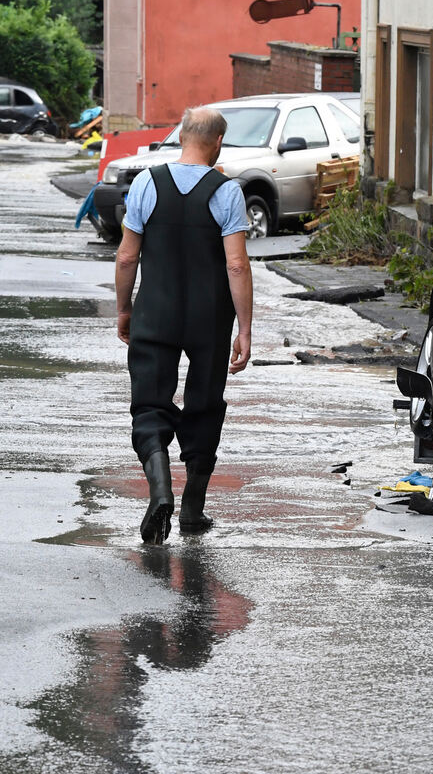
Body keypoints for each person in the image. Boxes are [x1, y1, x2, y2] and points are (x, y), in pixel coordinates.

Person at [114, 106, 253, 544]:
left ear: (181, 138)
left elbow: (126, 256)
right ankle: (193, 508)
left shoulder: (145, 183)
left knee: (150, 402)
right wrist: (245, 329)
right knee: (205, 404)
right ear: (217, 143)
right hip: (209, 319)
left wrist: (124, 308)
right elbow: (236, 265)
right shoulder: (226, 191)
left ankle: (159, 490)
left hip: (155, 311)